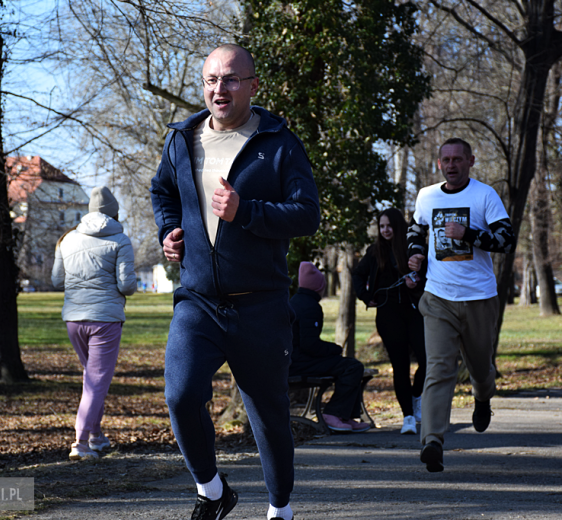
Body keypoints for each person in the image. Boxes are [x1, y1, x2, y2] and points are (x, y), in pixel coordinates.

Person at [150, 44, 319, 520]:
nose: (218, 89)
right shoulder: (181, 139)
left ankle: (280, 509)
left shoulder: (278, 143)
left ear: (252, 86)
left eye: (230, 79)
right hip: (198, 301)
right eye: (210, 80)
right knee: (181, 396)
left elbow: (307, 215)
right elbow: (162, 189)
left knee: (268, 417)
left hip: (260, 304)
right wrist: (169, 231)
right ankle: (211, 489)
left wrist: (247, 212)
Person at [407, 138, 516, 472]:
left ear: (471, 160)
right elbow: (415, 229)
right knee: (439, 368)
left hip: (479, 299)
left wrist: (468, 234)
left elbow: (506, 240)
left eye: (458, 159)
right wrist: (415, 253)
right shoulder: (427, 195)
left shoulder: (485, 195)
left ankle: (482, 397)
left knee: (481, 369)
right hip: (439, 297)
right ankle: (432, 441)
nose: (451, 165)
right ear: (439, 164)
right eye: (445, 160)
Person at [51, 186, 138, 461]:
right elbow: (127, 285)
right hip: (105, 319)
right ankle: (80, 443)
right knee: (96, 382)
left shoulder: (67, 239)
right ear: (114, 213)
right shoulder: (120, 240)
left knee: (92, 380)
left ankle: (97, 436)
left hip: (74, 320)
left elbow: (56, 280)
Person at [353, 208, 427, 435]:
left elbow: (426, 275)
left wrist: (416, 283)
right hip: (388, 315)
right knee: (400, 366)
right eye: (381, 226)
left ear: (398, 226)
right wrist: (366, 297)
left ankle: (416, 396)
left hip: (414, 312)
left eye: (389, 226)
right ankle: (407, 417)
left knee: (426, 358)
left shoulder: (411, 249)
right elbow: (358, 274)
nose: (385, 230)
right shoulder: (375, 252)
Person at [289, 262, 371, 433]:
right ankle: (334, 414)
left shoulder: (295, 301)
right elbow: (309, 345)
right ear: (318, 286)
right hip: (298, 363)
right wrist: (334, 349)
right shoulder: (310, 307)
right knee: (352, 367)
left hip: (292, 360)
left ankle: (345, 416)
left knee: (349, 365)